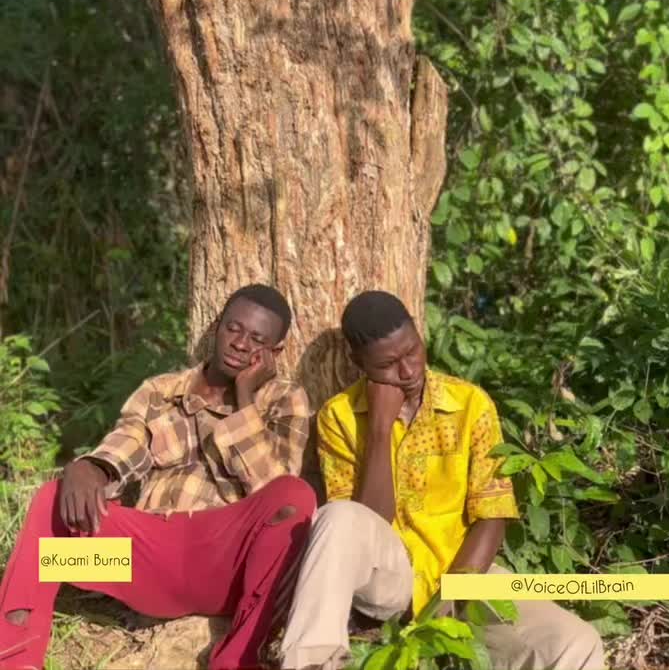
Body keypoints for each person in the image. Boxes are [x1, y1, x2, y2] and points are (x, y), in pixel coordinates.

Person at [279, 290, 605, 670]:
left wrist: (450, 597)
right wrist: (380, 428)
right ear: (359, 363)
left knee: (575, 642)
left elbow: (492, 514)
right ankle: (310, 663)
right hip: (391, 580)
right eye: (388, 364)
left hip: (465, 572)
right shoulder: (339, 417)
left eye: (412, 351)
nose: (408, 371)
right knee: (338, 517)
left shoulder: (469, 404)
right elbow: (367, 523)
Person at [0, 284, 316, 670]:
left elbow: (274, 491)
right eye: (233, 329)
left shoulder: (284, 399)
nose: (239, 343)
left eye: (256, 340)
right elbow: (125, 443)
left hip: (228, 574)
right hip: (139, 566)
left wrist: (245, 400)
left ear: (274, 353)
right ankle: (14, 658)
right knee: (51, 516)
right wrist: (92, 466)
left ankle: (236, 661)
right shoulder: (161, 391)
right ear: (217, 326)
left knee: (296, 496)